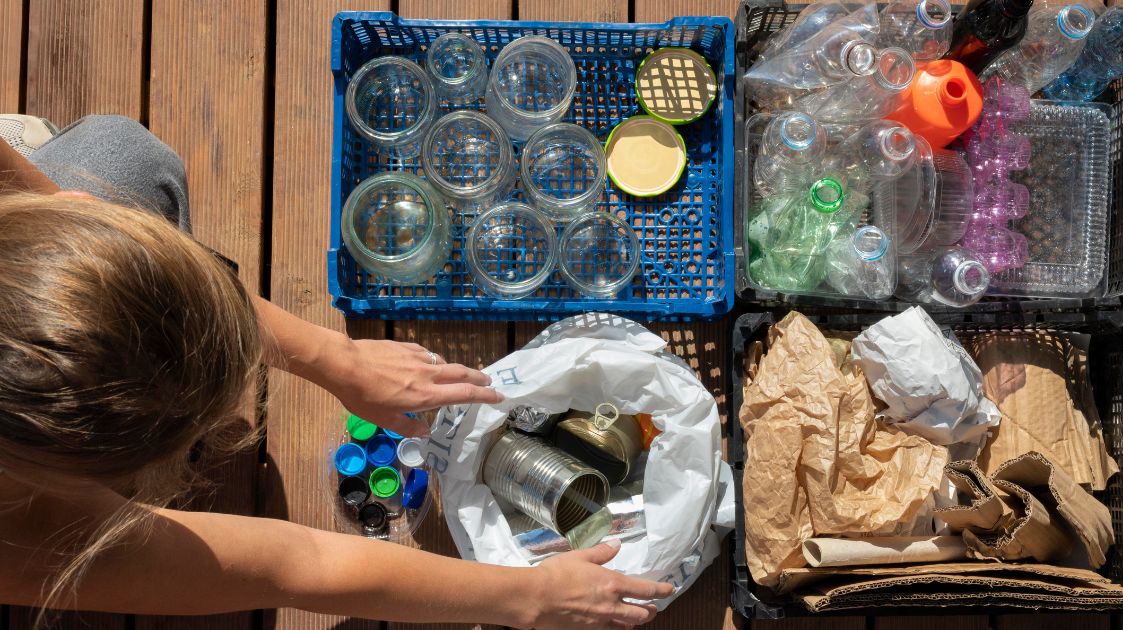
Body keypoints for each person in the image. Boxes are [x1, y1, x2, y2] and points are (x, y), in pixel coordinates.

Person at [0, 115, 674, 628]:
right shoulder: (19, 528)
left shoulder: (53, 214)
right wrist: (527, 597)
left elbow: (66, 209)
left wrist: (335, 356)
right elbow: (295, 566)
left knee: (124, 158)